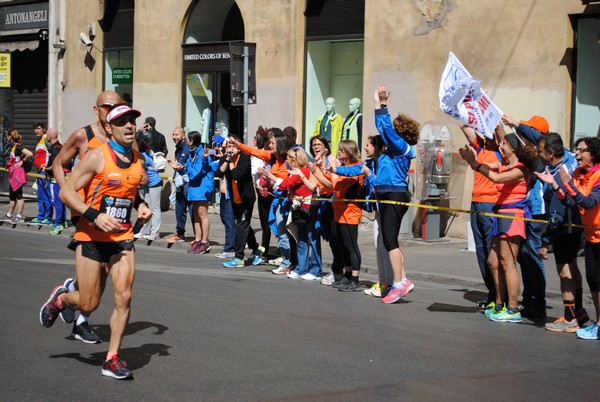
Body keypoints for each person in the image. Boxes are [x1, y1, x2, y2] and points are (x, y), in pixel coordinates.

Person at [39, 104, 152, 380]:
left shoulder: (137, 161)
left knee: (124, 297)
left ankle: (112, 358)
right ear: (110, 129)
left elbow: (127, 189)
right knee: (88, 304)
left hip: (122, 238)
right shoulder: (96, 157)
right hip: (91, 236)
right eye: (122, 122)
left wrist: (141, 205)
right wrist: (94, 215)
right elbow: (66, 192)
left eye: (132, 122)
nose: (129, 126)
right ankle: (61, 300)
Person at [52, 90, 124, 344]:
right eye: (107, 106)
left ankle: (76, 302)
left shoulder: (121, 136)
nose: (112, 110)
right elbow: (58, 163)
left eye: (118, 106)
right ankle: (79, 316)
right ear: (97, 109)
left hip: (111, 214)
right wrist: (70, 195)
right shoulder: (84, 135)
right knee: (98, 265)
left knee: (104, 268)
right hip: (85, 212)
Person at [460, 125, 538, 323]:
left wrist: (474, 163)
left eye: (504, 144)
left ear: (513, 148)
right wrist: (471, 160)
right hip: (499, 215)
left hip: (512, 216)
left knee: (507, 263)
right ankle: (499, 303)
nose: (501, 146)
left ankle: (513, 309)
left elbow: (496, 177)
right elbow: (484, 166)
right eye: (501, 143)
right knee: (493, 262)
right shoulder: (503, 163)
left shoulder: (521, 169)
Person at [536, 136, 600, 340]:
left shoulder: (597, 175)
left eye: (582, 150)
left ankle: (576, 317)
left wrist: (565, 184)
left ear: (594, 154)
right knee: (593, 280)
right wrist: (556, 186)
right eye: (577, 150)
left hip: (581, 231)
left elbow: (589, 202)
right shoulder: (577, 173)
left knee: (589, 278)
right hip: (590, 234)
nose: (577, 154)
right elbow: (570, 197)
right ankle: (589, 320)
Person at [372, 85, 420, 304]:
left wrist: (380, 105)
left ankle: (398, 284)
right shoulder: (392, 150)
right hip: (386, 194)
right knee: (391, 239)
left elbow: (385, 130)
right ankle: (403, 280)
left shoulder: (401, 146)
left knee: (389, 239)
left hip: (394, 194)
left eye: (394, 129)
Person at [503, 114, 550, 318]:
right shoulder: (531, 155)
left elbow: (534, 136)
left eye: (530, 131)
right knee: (524, 258)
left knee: (533, 257)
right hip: (526, 211)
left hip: (536, 214)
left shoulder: (543, 156)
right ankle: (528, 299)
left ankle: (538, 302)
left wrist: (518, 124)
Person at [335, 134, 394, 297]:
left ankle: (390, 283)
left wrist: (369, 175)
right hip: (377, 209)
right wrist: (334, 168)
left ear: (377, 147)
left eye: (368, 145)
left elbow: (382, 185)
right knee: (378, 245)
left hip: (387, 208)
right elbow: (352, 170)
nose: (365, 147)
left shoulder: (384, 163)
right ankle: (383, 282)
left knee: (386, 246)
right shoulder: (367, 163)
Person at [230, 129, 293, 274]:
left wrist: (269, 175)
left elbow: (289, 181)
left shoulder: (288, 160)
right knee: (279, 230)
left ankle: (289, 263)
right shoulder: (271, 157)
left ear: (281, 144)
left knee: (287, 233)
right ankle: (286, 262)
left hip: (287, 201)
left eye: (272, 143)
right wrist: (237, 144)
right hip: (277, 200)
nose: (269, 145)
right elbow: (253, 151)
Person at [460, 124, 501, 309]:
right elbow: (464, 127)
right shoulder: (481, 147)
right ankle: (492, 293)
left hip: (490, 203)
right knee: (481, 250)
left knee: (491, 250)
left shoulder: (501, 150)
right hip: (476, 202)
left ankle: (501, 296)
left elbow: (499, 130)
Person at [262, 147, 318, 278]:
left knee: (311, 239)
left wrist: (270, 176)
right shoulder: (295, 172)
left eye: (288, 158)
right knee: (302, 239)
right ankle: (301, 268)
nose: (286, 160)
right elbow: (286, 186)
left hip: (308, 208)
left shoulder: (302, 171)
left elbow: (286, 184)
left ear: (294, 160)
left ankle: (315, 270)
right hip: (298, 208)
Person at [216, 136, 265, 268]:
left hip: (246, 198)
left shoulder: (245, 158)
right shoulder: (226, 158)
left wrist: (231, 162)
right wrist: (227, 159)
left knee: (240, 226)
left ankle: (239, 257)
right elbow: (218, 174)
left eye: (233, 146)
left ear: (238, 146)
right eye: (228, 147)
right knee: (243, 225)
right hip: (234, 198)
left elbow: (237, 174)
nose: (231, 149)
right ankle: (256, 249)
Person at [326, 140, 364, 291]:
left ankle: (355, 279)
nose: (338, 152)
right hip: (339, 212)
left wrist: (334, 169)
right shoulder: (342, 167)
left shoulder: (356, 167)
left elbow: (337, 185)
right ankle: (348, 275)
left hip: (350, 212)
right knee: (341, 245)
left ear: (348, 151)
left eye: (341, 150)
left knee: (351, 246)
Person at [169, 131, 215, 254]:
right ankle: (198, 240)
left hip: (202, 187)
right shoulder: (192, 152)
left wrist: (183, 168)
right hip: (194, 187)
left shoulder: (201, 153)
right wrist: (180, 166)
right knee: (195, 214)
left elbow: (195, 173)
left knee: (202, 214)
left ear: (192, 141)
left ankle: (205, 242)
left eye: (188, 139)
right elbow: (189, 169)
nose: (186, 142)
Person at [165, 127, 193, 243]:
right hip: (179, 182)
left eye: (177, 135)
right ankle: (180, 234)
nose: (174, 137)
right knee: (179, 209)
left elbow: (190, 166)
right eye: (173, 134)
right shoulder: (178, 148)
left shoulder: (187, 147)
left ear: (183, 136)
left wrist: (181, 167)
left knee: (192, 210)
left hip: (188, 182)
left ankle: (199, 237)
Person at [134, 132, 162, 241]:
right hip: (148, 185)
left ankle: (155, 232)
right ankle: (145, 231)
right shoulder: (146, 154)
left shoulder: (143, 157)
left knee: (155, 208)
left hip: (154, 183)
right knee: (147, 208)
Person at [2, 129, 33, 224]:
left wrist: (22, 162)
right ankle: (9, 215)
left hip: (18, 174)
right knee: (12, 195)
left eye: (8, 136)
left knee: (19, 195)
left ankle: (19, 216)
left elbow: (30, 154)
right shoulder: (13, 146)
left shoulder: (18, 147)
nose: (7, 138)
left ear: (10, 137)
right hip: (13, 173)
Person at [45, 128, 69, 235]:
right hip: (60, 178)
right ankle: (63, 221)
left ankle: (58, 224)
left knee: (56, 202)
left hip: (55, 179)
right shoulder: (60, 147)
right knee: (61, 201)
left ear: (49, 136)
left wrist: (45, 169)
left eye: (46, 135)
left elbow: (55, 165)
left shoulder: (54, 149)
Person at [31, 122, 53, 225]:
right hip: (39, 172)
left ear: (44, 129)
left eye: (39, 128)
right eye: (35, 129)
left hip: (45, 172)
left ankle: (48, 218)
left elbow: (54, 152)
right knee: (40, 195)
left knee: (46, 195)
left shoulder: (45, 139)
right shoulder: (39, 140)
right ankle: (40, 216)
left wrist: (48, 166)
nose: (36, 130)